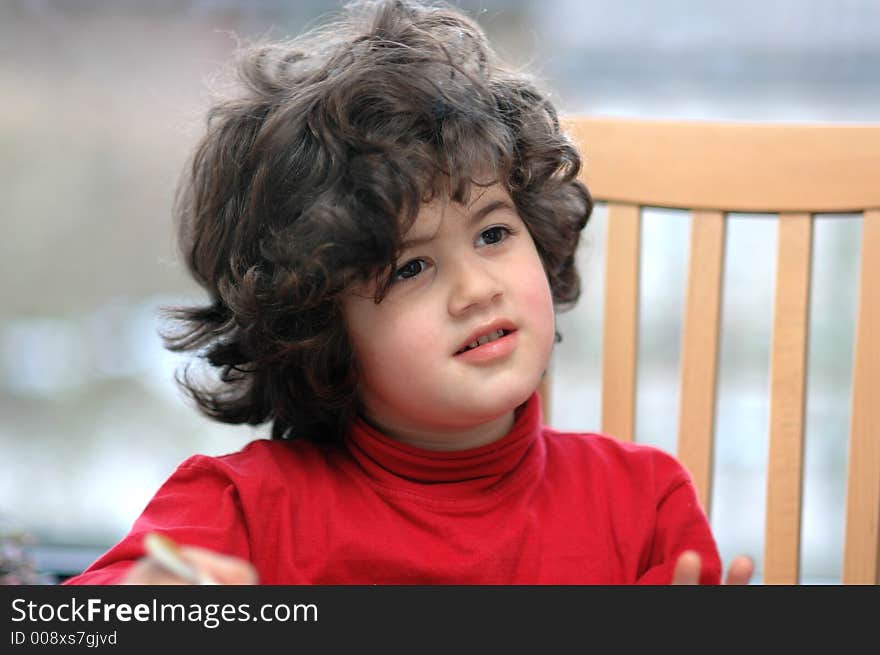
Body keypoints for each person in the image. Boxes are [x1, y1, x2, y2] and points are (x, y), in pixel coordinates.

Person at [64, 0, 752, 586]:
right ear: (317, 325)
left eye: (492, 235)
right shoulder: (237, 510)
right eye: (411, 269)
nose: (476, 289)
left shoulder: (645, 506)